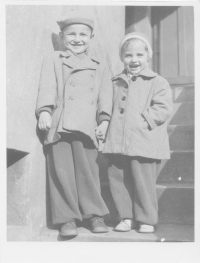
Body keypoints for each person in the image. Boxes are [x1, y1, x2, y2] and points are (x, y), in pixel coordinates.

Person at [35, 11, 113, 237]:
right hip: (60, 123)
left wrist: (104, 120)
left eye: (83, 34)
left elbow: (105, 95)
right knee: (61, 172)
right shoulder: (54, 58)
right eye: (71, 34)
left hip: (88, 125)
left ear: (91, 37)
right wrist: (44, 111)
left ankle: (94, 214)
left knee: (88, 171)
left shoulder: (99, 63)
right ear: (61, 36)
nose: (77, 39)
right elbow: (47, 86)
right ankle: (66, 218)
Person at [96, 32, 173, 233]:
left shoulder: (158, 82)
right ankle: (125, 217)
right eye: (129, 55)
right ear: (122, 58)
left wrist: (144, 121)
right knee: (119, 180)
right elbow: (107, 104)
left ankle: (146, 218)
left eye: (139, 55)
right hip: (117, 142)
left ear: (149, 56)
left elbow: (163, 108)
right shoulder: (115, 82)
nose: (134, 60)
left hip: (144, 141)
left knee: (143, 182)